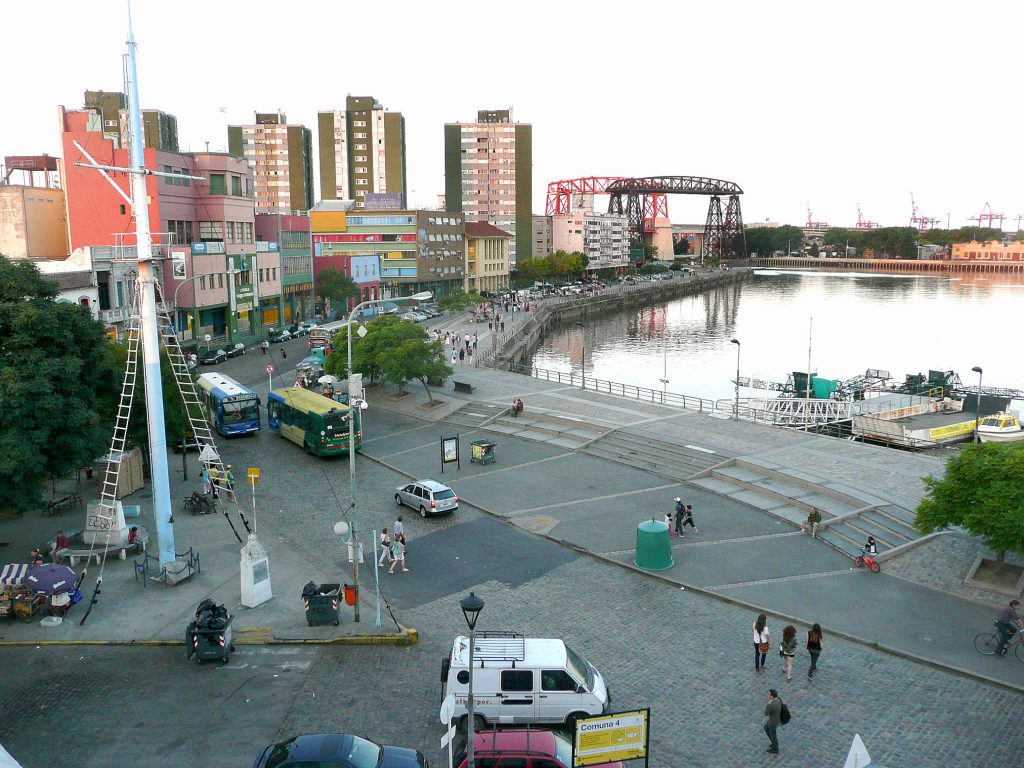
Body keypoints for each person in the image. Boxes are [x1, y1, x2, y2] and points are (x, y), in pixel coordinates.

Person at [763, 689, 782, 754]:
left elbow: (765, 713)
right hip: (776, 719)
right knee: (765, 727)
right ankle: (774, 744)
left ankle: (775, 749)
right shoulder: (779, 700)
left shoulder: (771, 705)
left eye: (769, 694)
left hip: (772, 722)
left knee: (773, 735)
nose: (768, 695)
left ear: (772, 696)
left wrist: (768, 704)